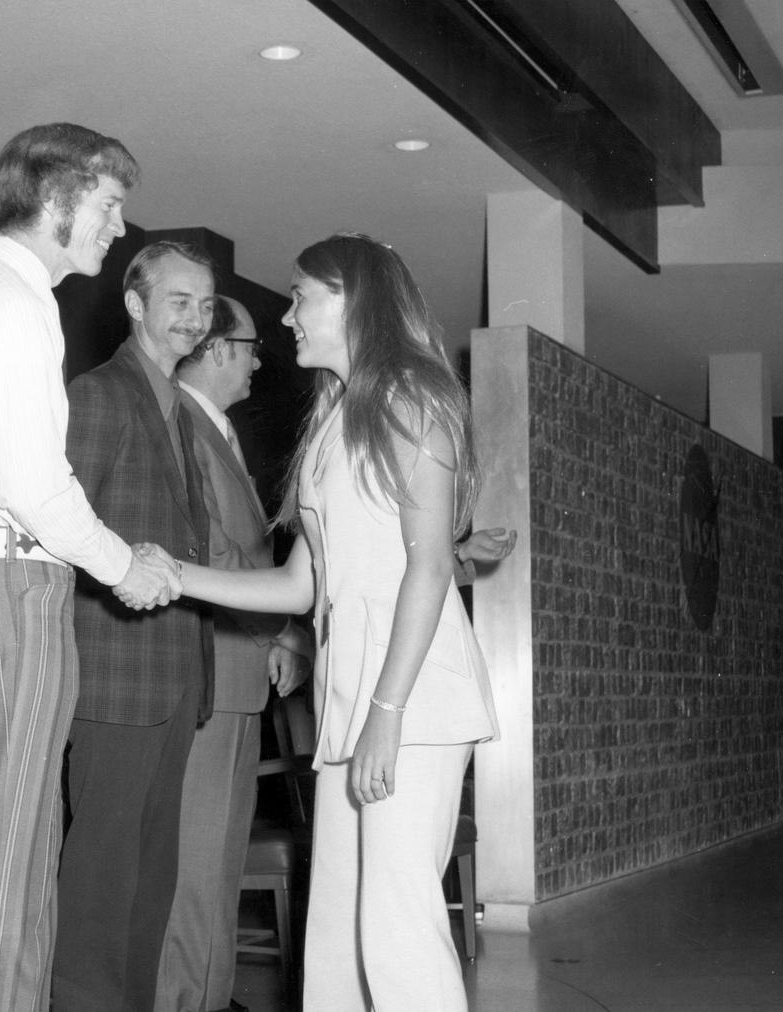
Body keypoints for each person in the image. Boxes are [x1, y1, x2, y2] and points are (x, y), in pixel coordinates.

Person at [177, 232, 499, 1010]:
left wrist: (386, 715)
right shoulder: (331, 422)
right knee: (335, 951)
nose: (285, 316)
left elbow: (429, 567)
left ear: (355, 300)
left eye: (300, 297)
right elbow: (300, 585)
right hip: (352, 706)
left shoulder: (412, 399)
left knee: (396, 935)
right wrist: (177, 574)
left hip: (410, 704)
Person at [0, 123, 181, 1012]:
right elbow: (34, 484)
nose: (117, 227)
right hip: (15, 590)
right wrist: (120, 567)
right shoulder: (17, 304)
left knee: (8, 860)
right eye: (107, 205)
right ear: (55, 200)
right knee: (9, 872)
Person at [52, 241, 217, 1011]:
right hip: (114, 675)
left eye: (206, 304)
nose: (196, 317)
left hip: (176, 676)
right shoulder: (101, 393)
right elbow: (58, 536)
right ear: (135, 304)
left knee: (153, 876)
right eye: (179, 300)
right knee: (100, 879)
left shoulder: (178, 409)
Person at [155, 296, 311, 1012]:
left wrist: (275, 634)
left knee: (217, 861)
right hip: (211, 672)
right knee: (197, 862)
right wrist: (269, 629)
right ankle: (190, 999)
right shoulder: (183, 424)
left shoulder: (215, 427)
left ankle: (208, 994)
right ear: (216, 350)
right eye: (249, 346)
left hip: (237, 671)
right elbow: (212, 553)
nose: (257, 359)